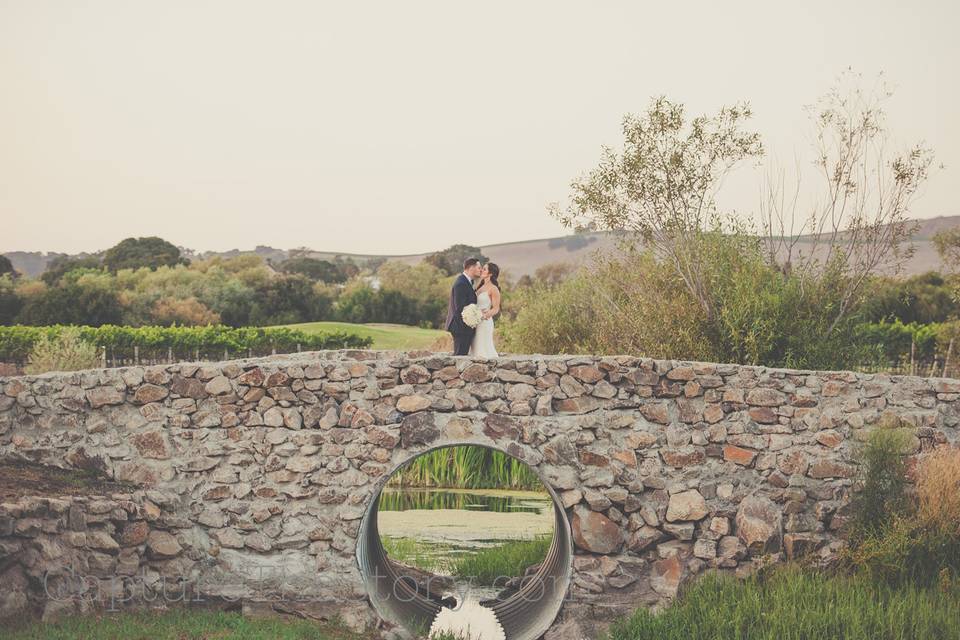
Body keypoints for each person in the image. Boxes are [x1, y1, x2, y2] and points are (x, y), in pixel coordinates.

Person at [445, 257, 482, 356]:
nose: (481, 270)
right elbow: (459, 309)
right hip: (461, 328)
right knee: (459, 358)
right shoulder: (461, 283)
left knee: (462, 356)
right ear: (471, 268)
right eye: (479, 267)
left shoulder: (467, 282)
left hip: (464, 328)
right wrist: (467, 327)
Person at [469, 263, 500, 358]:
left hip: (485, 323)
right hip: (475, 322)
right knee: (475, 347)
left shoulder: (493, 289)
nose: (481, 270)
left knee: (483, 348)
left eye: (485, 269)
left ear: (490, 274)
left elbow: (496, 308)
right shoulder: (480, 286)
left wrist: (483, 316)